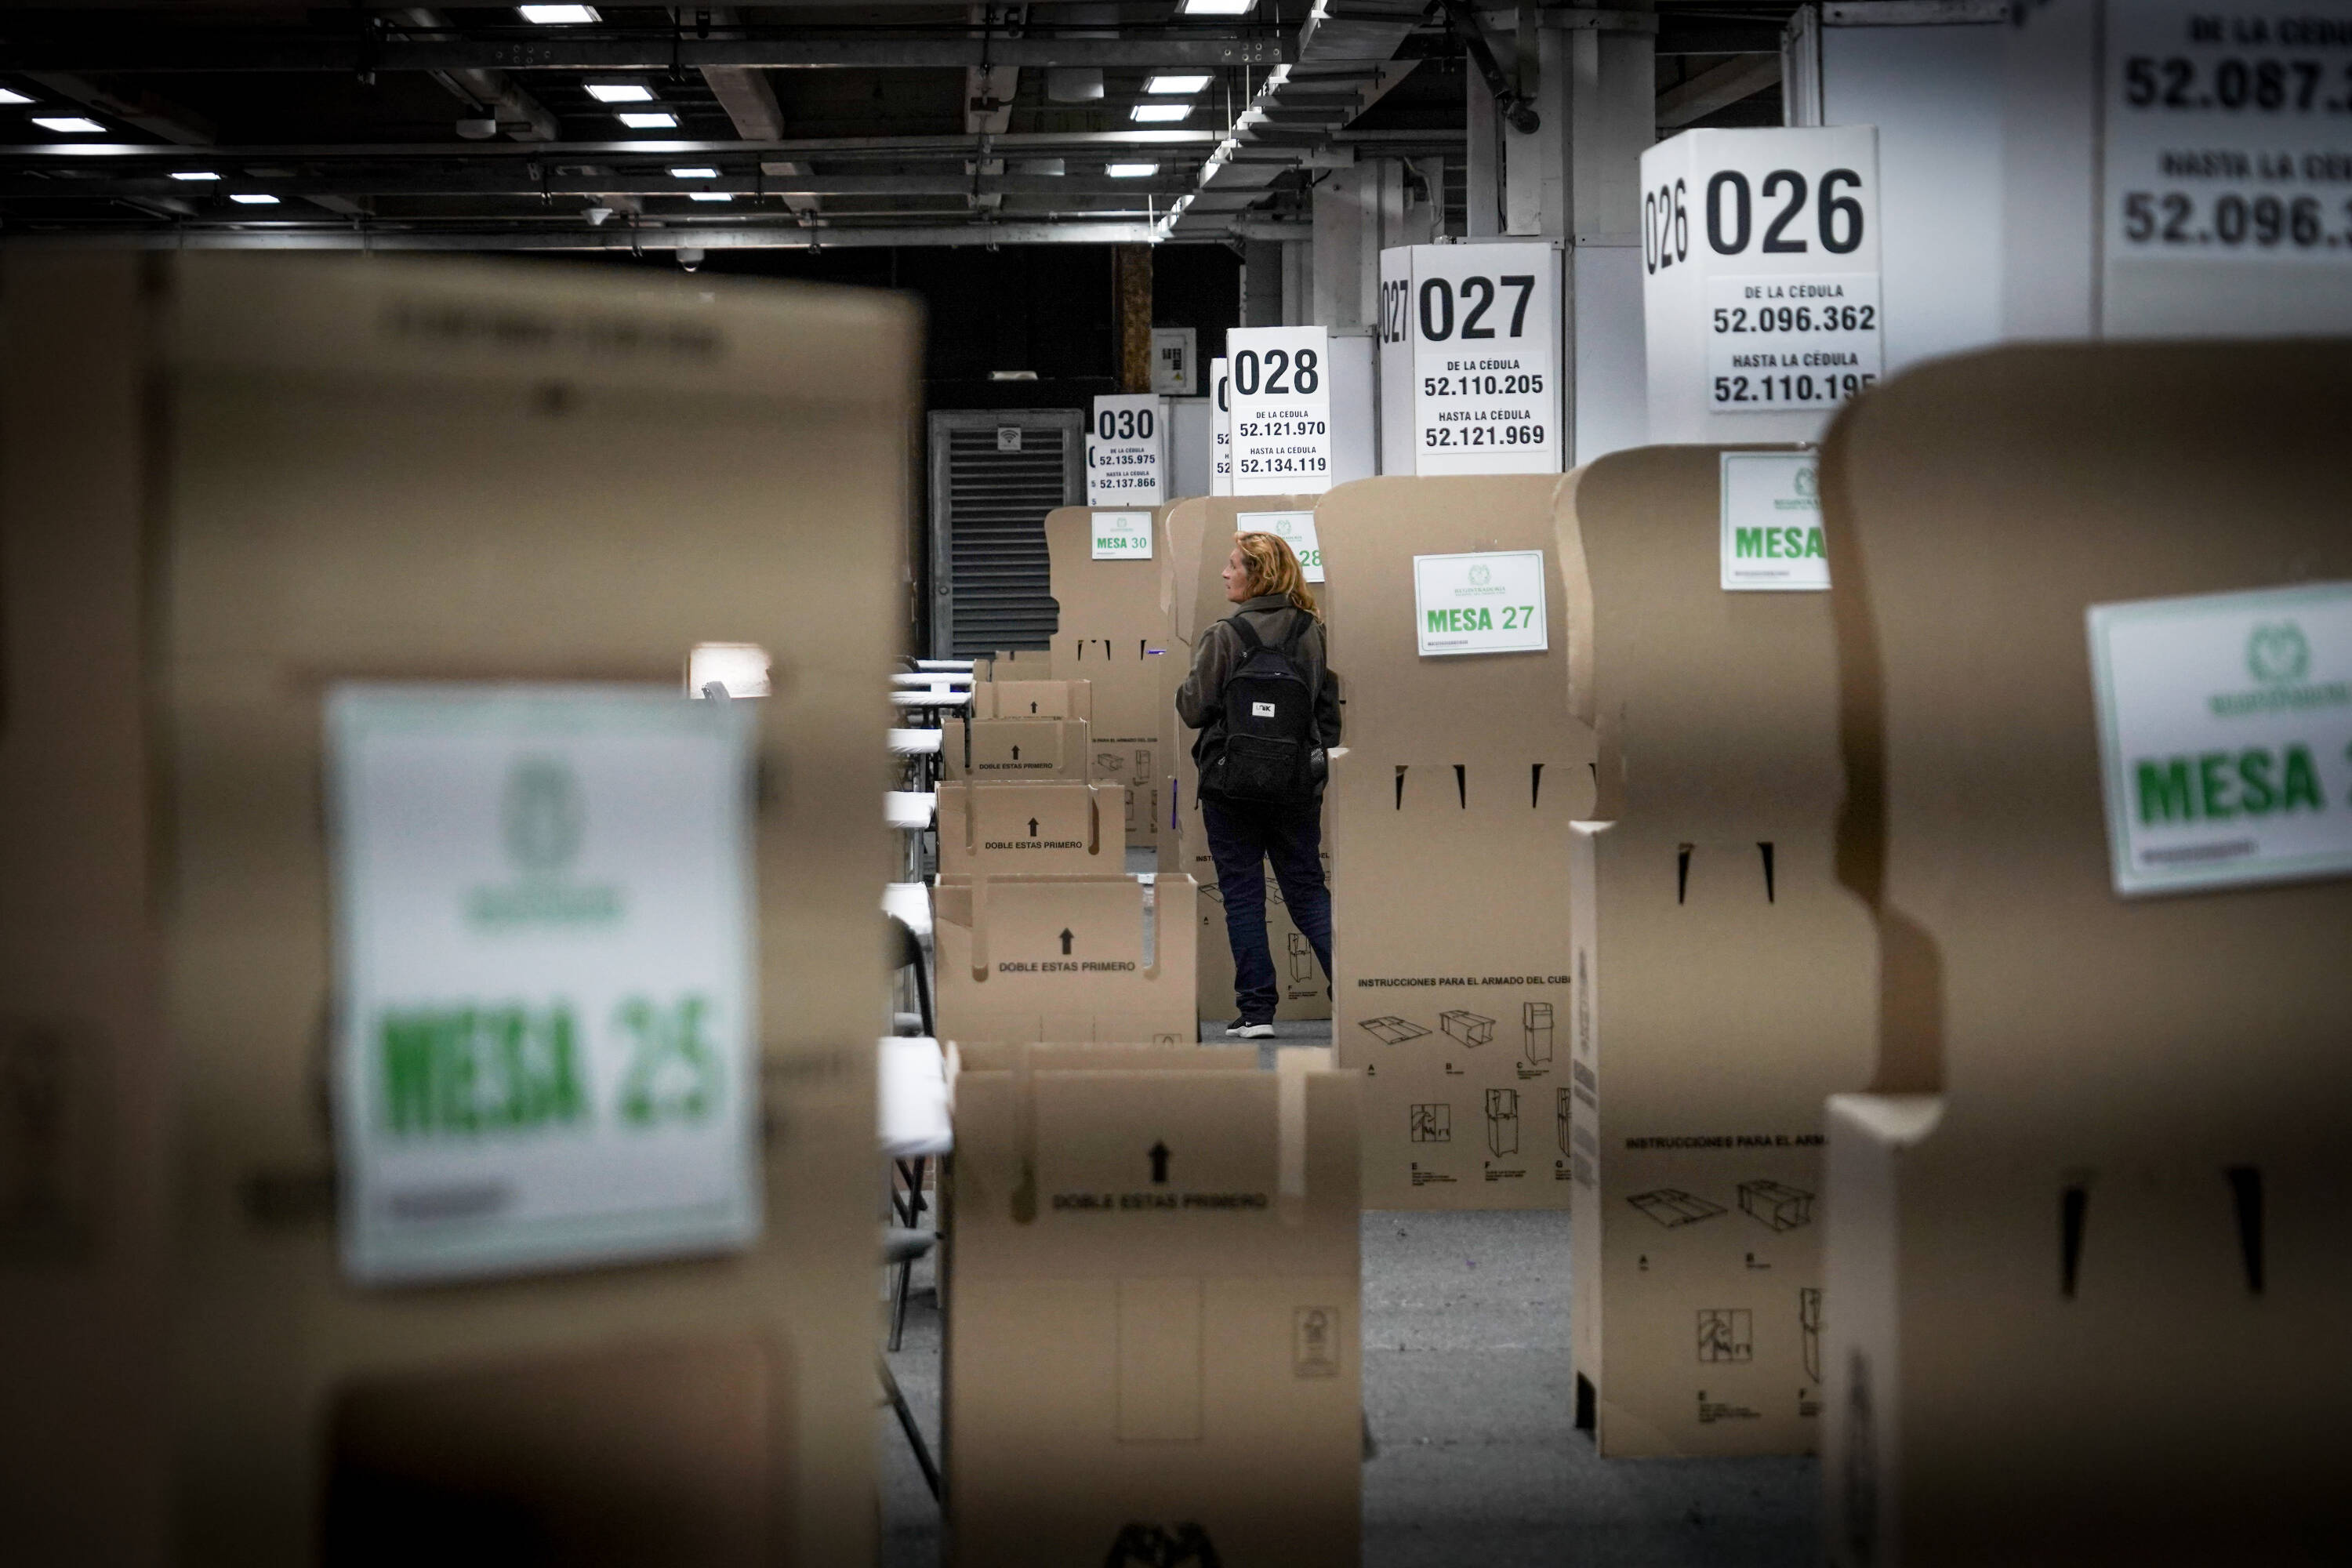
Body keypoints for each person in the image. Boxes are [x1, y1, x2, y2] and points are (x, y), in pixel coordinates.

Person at [1175, 531, 1340, 1040]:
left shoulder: (1225, 635)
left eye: (1233, 567)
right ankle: (1360, 995)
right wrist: (1314, 769)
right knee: (1308, 892)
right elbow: (1328, 715)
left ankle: (1257, 1014)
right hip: (1295, 789)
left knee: (1243, 896)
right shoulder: (1313, 633)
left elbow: (1192, 708)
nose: (1225, 574)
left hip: (1231, 789)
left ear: (1259, 575)